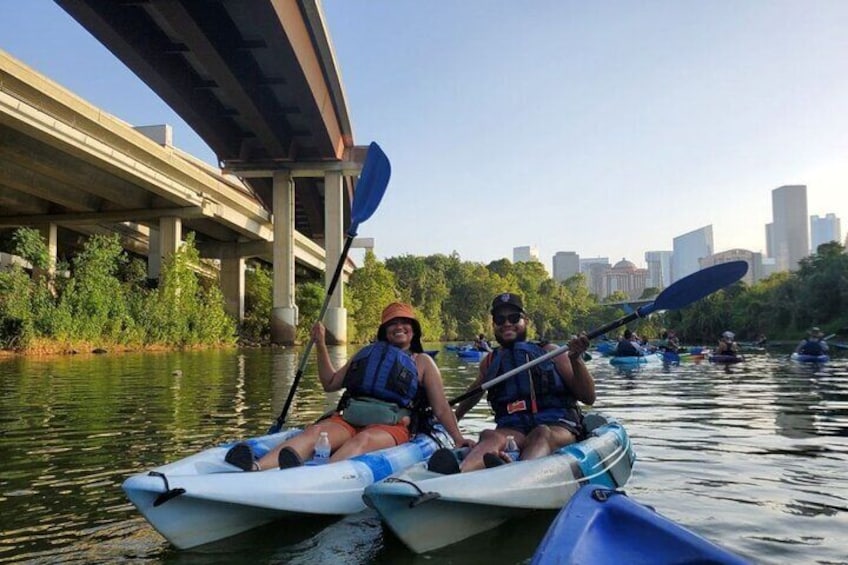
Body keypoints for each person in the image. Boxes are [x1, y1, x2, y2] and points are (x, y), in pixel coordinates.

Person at [225, 302, 473, 471]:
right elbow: (330, 383)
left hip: (392, 426)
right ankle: (256, 467)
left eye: (404, 322)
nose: (399, 327)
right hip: (350, 419)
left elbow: (441, 409)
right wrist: (321, 344)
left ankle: (311, 477)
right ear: (384, 331)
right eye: (392, 324)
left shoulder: (423, 362)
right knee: (314, 434)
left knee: (362, 441)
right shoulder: (366, 354)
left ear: (414, 330)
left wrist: (458, 439)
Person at [427, 292, 595, 474]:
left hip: (557, 425)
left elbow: (588, 397)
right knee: (490, 436)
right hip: (514, 429)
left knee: (541, 433)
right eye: (500, 319)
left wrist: (576, 359)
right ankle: (459, 473)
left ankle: (518, 475)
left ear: (526, 321)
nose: (507, 323)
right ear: (494, 325)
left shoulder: (552, 352)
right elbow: (473, 394)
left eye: (514, 318)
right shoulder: (490, 362)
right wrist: (452, 420)